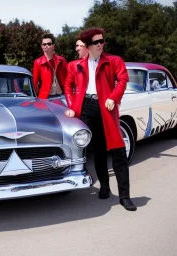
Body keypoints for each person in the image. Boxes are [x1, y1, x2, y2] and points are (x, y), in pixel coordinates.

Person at [64, 27, 137, 211]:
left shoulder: (114, 61)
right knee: (97, 150)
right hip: (86, 106)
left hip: (106, 106)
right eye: (96, 42)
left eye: (102, 41)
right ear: (88, 46)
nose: (101, 44)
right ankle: (104, 186)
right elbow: (68, 85)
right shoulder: (75, 65)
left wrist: (113, 97)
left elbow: (122, 79)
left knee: (118, 150)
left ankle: (125, 196)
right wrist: (72, 107)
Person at [32, 33, 68, 99]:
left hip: (62, 96)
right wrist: (39, 96)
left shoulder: (62, 60)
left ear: (53, 46)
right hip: (46, 97)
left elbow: (68, 78)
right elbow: (35, 83)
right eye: (44, 44)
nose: (46, 46)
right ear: (41, 46)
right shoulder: (37, 62)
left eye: (49, 44)